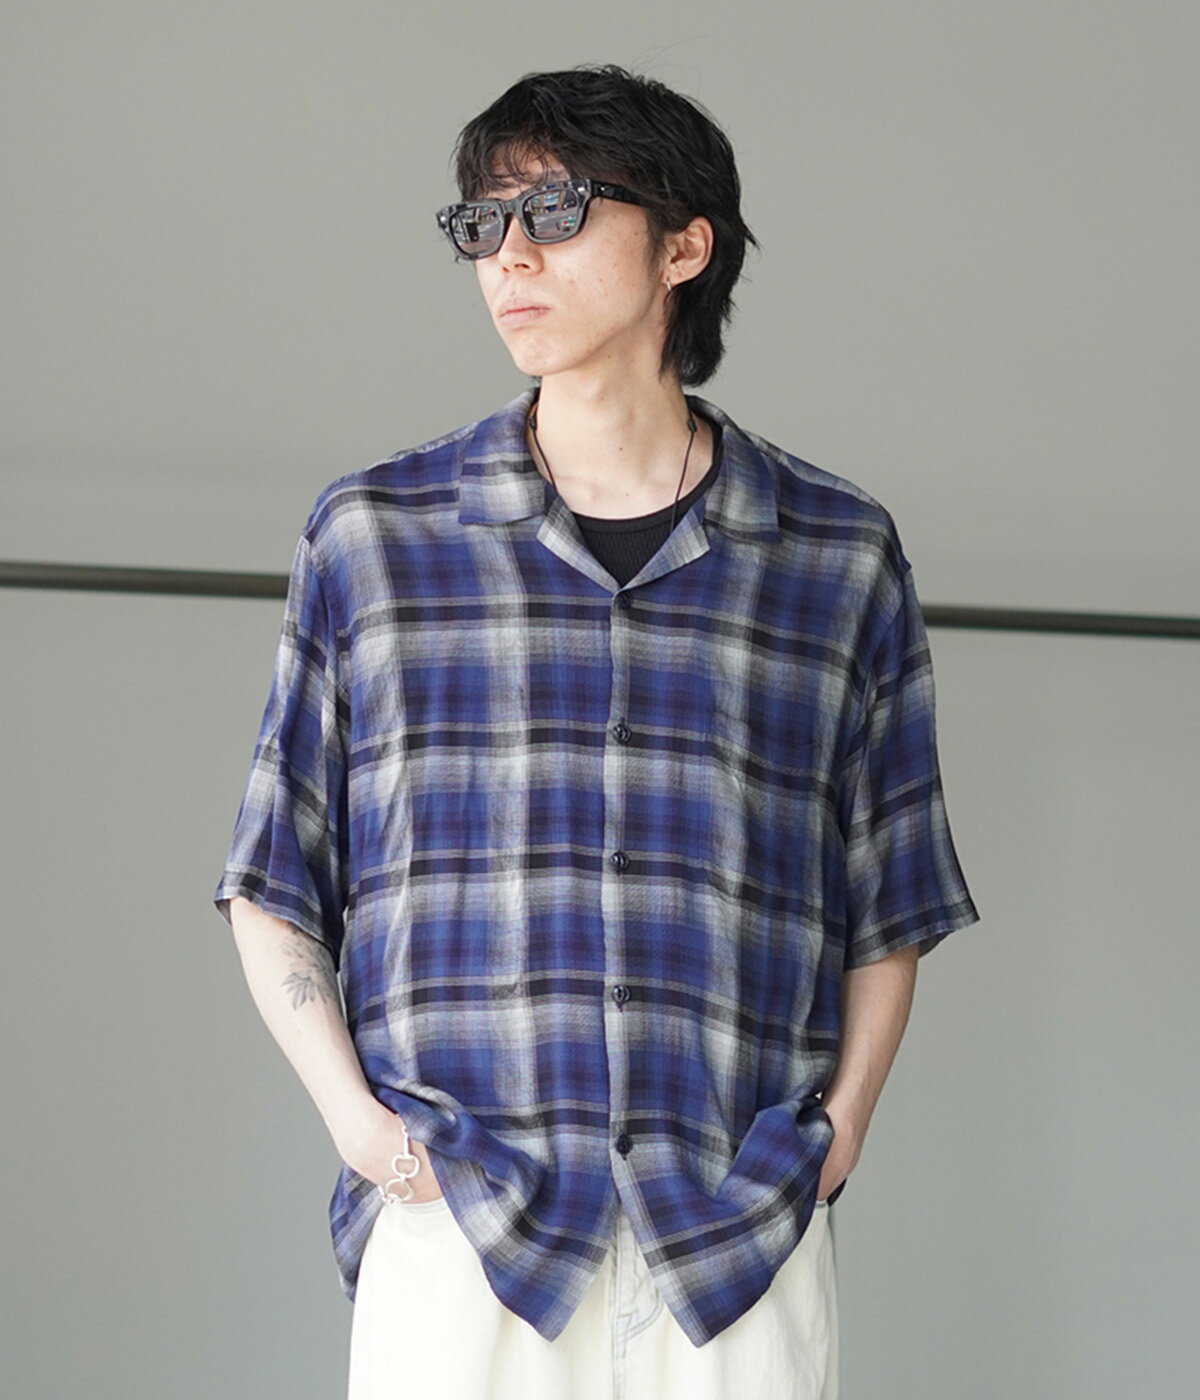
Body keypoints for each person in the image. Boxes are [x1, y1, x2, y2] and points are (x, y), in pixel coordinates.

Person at [215, 64, 979, 1400]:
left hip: (733, 1242)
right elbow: (275, 880)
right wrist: (368, 1136)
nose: (509, 255)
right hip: (466, 1231)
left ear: (684, 246)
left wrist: (840, 1131)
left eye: (557, 212)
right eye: (483, 223)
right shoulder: (375, 539)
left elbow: (891, 901)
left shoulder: (834, 554)